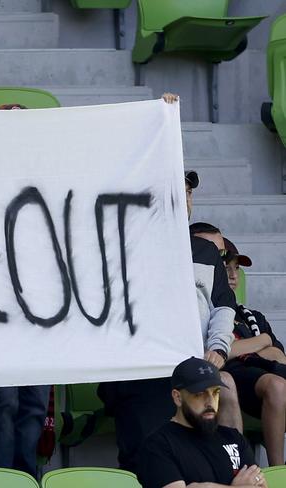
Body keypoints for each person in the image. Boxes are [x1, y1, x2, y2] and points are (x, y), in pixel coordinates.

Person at [98, 170, 240, 474]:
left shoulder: (206, 252)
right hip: (141, 373)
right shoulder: (125, 244)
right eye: (177, 190)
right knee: (145, 462)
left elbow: (224, 306)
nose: (185, 198)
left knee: (195, 462)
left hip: (193, 369)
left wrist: (218, 348)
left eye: (189, 193)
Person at [0, 101, 50, 479]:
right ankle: (2, 479)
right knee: (4, 399)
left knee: (35, 402)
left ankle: (26, 477)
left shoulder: (48, 178)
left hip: (42, 310)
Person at [192, 227, 286, 466]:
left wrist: (254, 345)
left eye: (235, 267)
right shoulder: (197, 316)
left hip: (258, 378)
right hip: (233, 378)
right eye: (223, 263)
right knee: (272, 385)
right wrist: (260, 342)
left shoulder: (249, 316)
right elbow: (219, 353)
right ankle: (273, 468)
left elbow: (277, 354)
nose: (231, 274)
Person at [137, 357, 265, 488]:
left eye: (215, 392)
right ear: (177, 397)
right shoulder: (159, 444)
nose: (210, 402)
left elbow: (261, 485)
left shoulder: (234, 438)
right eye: (200, 393)